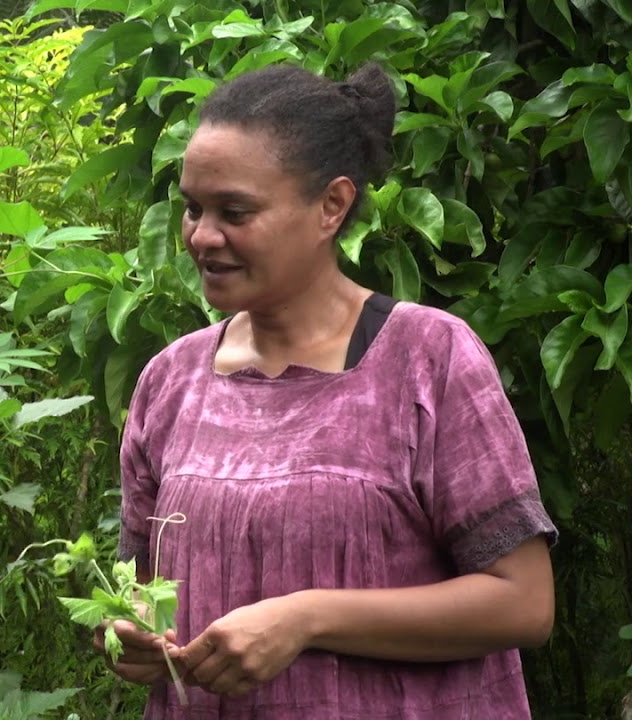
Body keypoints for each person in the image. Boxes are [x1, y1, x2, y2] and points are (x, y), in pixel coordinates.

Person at [103, 63, 557, 719]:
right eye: (193, 209)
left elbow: (524, 602)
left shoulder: (428, 359)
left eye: (235, 211)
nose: (202, 236)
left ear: (331, 206)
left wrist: (309, 618)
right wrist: (126, 631)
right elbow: (138, 585)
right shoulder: (170, 381)